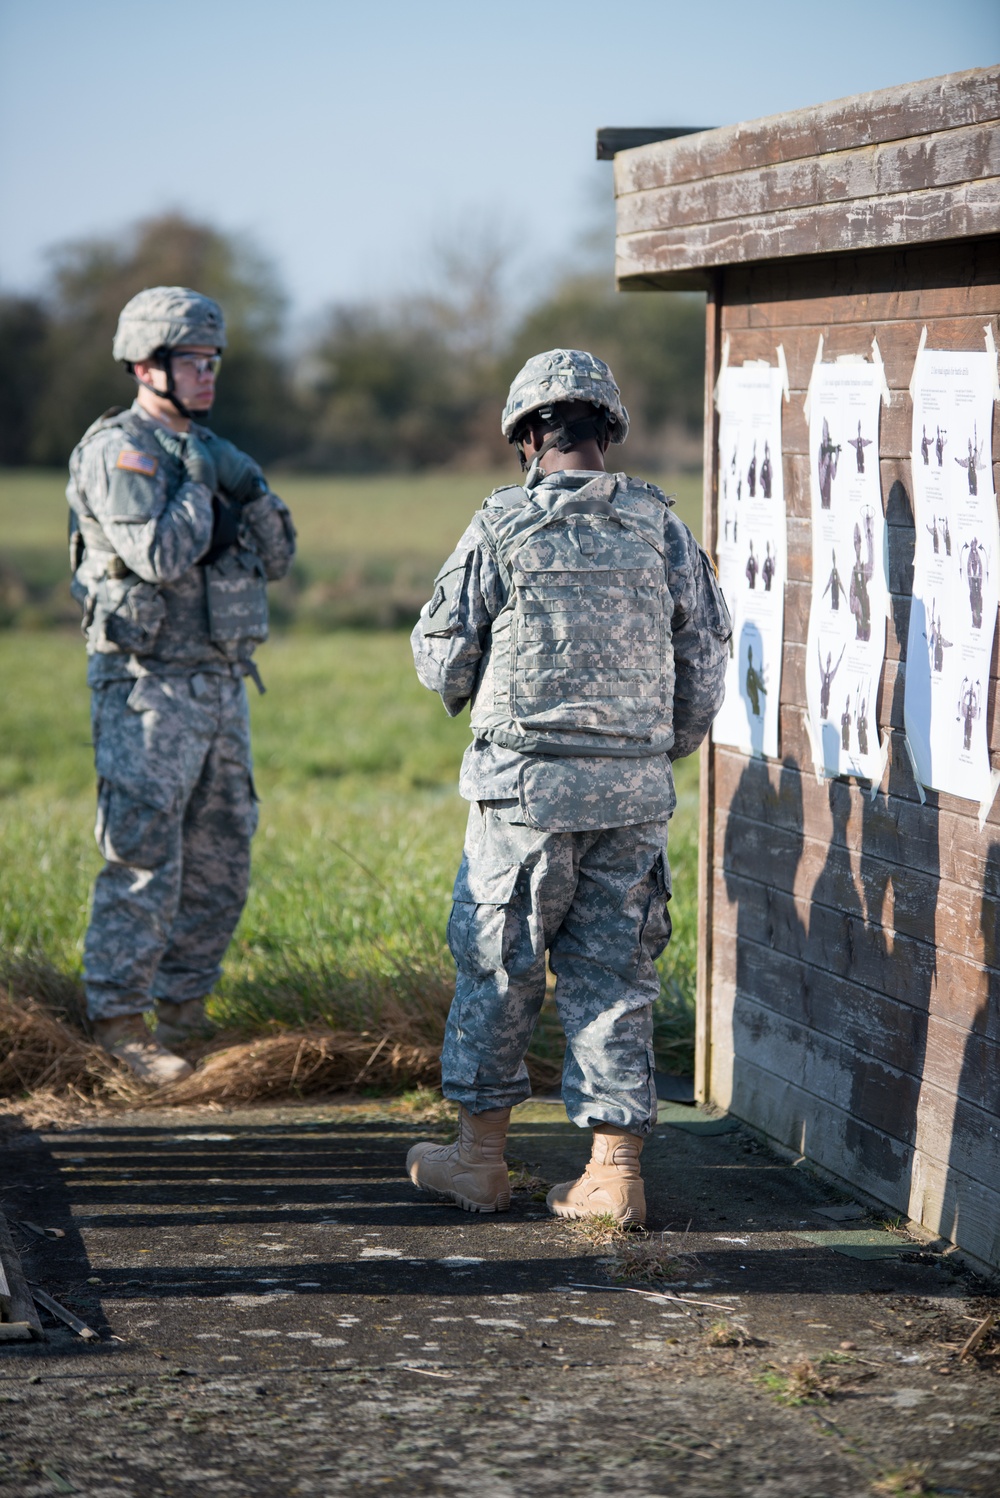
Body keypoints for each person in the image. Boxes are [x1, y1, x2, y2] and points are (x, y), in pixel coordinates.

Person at [405, 349, 730, 1226]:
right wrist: (655, 750)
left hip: (524, 795)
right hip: (631, 796)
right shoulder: (661, 527)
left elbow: (441, 654)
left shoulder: (501, 524)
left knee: (500, 966)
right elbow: (706, 660)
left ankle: (478, 1162)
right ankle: (613, 1175)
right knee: (616, 975)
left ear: (524, 437)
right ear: (608, 432)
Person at [67, 286, 296, 1084]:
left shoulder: (212, 449)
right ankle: (121, 1023)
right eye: (193, 361)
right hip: (146, 687)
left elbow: (280, 553)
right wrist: (205, 490)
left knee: (221, 854)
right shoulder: (121, 453)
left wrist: (251, 488)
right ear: (146, 365)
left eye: (213, 361)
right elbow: (160, 558)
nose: (208, 375)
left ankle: (186, 1013)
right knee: (141, 855)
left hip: (220, 683)